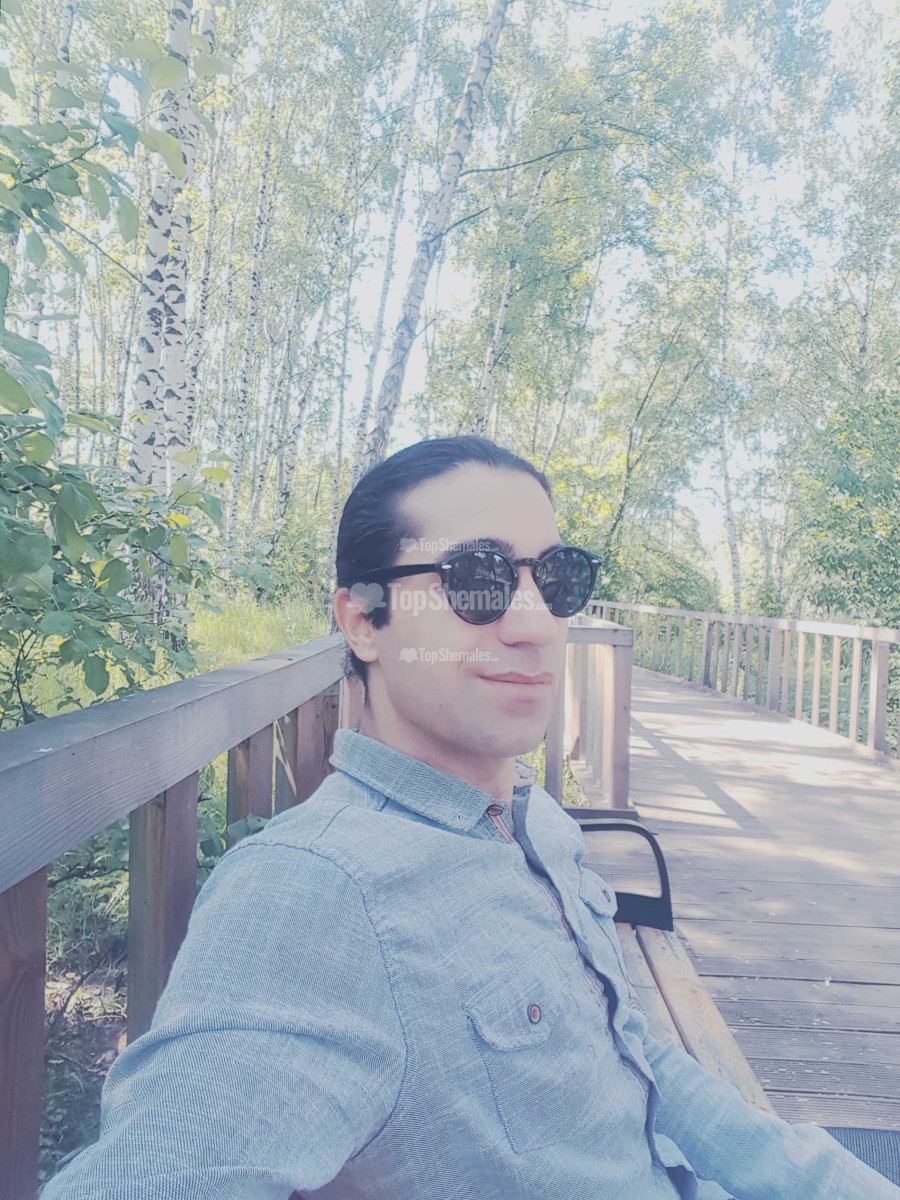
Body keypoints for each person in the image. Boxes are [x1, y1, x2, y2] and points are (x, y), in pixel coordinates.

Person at [42, 436, 900, 1199]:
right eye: (477, 579)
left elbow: (639, 1064)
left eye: (556, 579)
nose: (536, 624)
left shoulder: (534, 821)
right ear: (364, 620)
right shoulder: (317, 894)